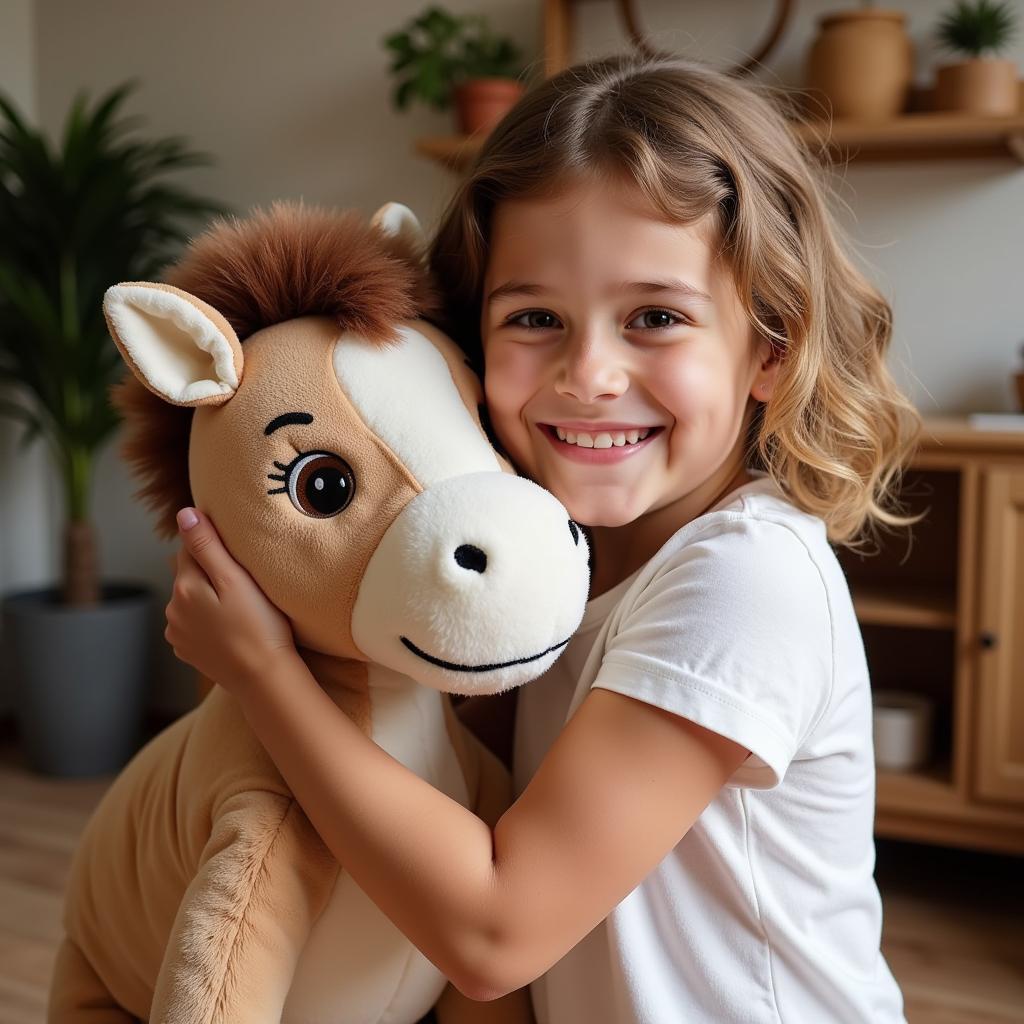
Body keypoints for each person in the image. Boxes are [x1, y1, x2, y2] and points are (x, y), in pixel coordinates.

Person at [164, 54, 921, 1023]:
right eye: (534, 318)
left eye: (654, 317)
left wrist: (263, 676)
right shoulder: (549, 569)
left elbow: (493, 930)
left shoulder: (744, 577)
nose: (589, 372)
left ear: (769, 344)